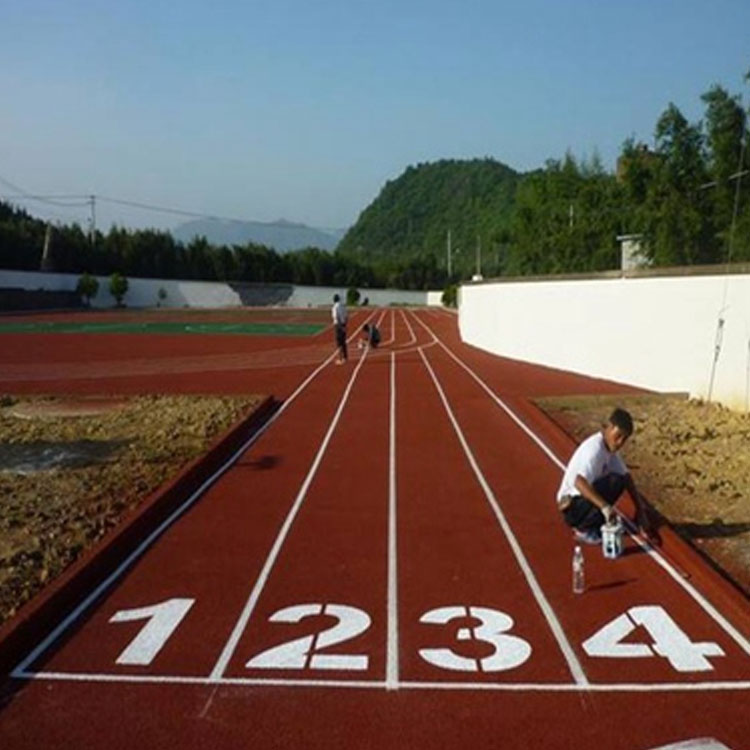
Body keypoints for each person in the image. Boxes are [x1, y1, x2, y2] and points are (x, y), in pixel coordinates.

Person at [557, 407, 655, 545]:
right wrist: (605, 507)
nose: (620, 443)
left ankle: (594, 521)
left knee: (619, 481)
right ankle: (583, 529)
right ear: (609, 428)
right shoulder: (594, 450)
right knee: (612, 482)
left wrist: (640, 510)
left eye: (624, 439)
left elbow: (626, 477)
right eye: (618, 436)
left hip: (582, 501)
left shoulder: (609, 451)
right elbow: (579, 482)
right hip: (571, 506)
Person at [331, 293, 348, 364]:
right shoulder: (343, 306)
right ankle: (345, 357)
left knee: (339, 342)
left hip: (338, 325)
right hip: (343, 324)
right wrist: (344, 325)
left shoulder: (335, 307)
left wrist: (340, 326)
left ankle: (340, 359)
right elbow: (346, 316)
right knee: (343, 342)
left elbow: (336, 317)